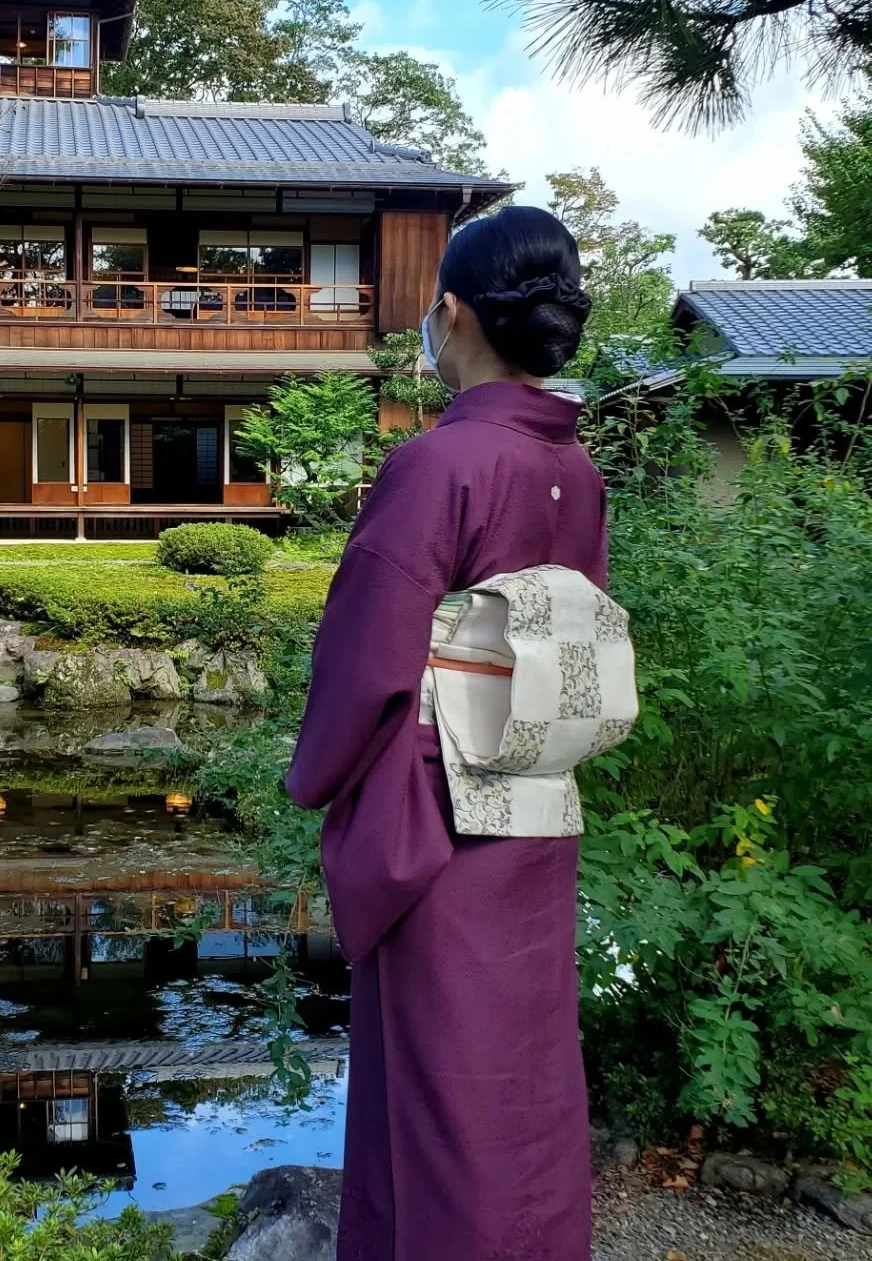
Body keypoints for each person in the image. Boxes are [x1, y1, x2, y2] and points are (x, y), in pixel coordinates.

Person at [287, 205, 603, 1261]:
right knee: (518, 1076)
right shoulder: (575, 469)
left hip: (440, 818)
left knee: (436, 1088)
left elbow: (370, 661)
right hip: (536, 804)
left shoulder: (441, 464)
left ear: (453, 313)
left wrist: (315, 777)